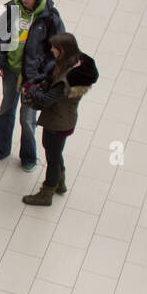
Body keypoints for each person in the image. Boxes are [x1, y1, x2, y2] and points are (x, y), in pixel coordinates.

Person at [0, 0, 65, 171]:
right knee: (5, 109)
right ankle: (0, 148)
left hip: (33, 78)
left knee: (28, 118)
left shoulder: (50, 18)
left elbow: (58, 49)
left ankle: (29, 156)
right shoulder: (12, 10)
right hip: (11, 71)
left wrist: (44, 73)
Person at [23, 32, 98, 206]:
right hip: (66, 118)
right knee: (55, 152)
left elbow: (46, 99)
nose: (51, 50)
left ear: (62, 50)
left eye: (54, 48)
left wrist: (32, 90)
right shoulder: (76, 64)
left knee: (52, 158)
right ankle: (60, 183)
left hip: (57, 121)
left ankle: (47, 193)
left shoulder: (66, 80)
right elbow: (49, 75)